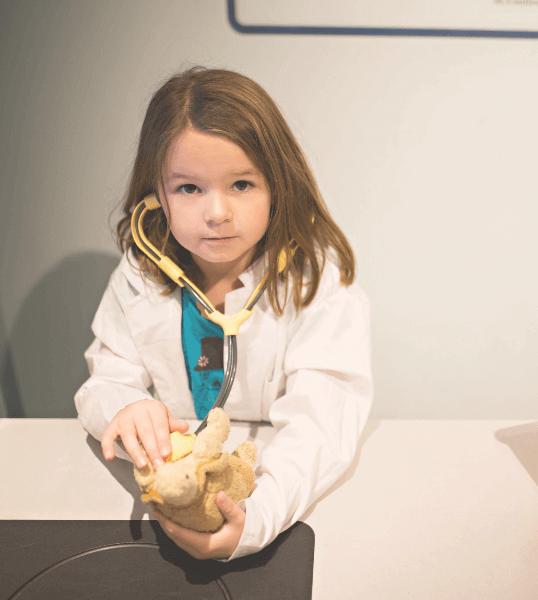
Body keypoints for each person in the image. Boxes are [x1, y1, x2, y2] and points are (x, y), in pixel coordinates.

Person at [74, 66, 372, 561]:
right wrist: (126, 409)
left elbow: (323, 425)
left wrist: (257, 518)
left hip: (281, 485)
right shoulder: (140, 273)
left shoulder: (317, 280)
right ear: (158, 195)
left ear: (278, 186)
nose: (217, 213)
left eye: (241, 184)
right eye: (189, 188)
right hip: (175, 486)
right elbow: (104, 383)